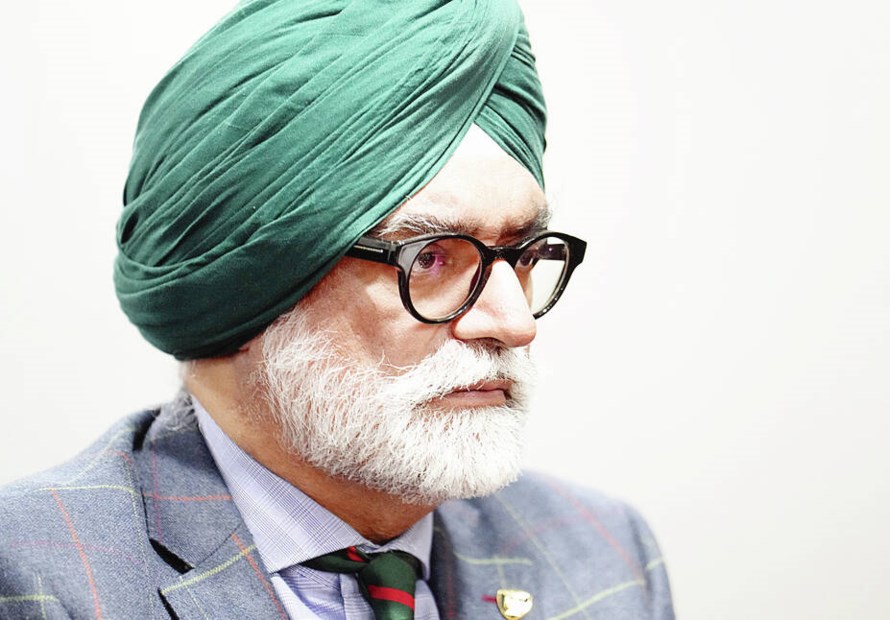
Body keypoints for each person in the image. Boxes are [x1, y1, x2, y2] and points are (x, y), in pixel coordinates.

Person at [0, 1, 674, 618]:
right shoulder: (33, 578)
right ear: (253, 283)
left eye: (524, 255)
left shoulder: (605, 556)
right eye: (431, 259)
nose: (515, 323)